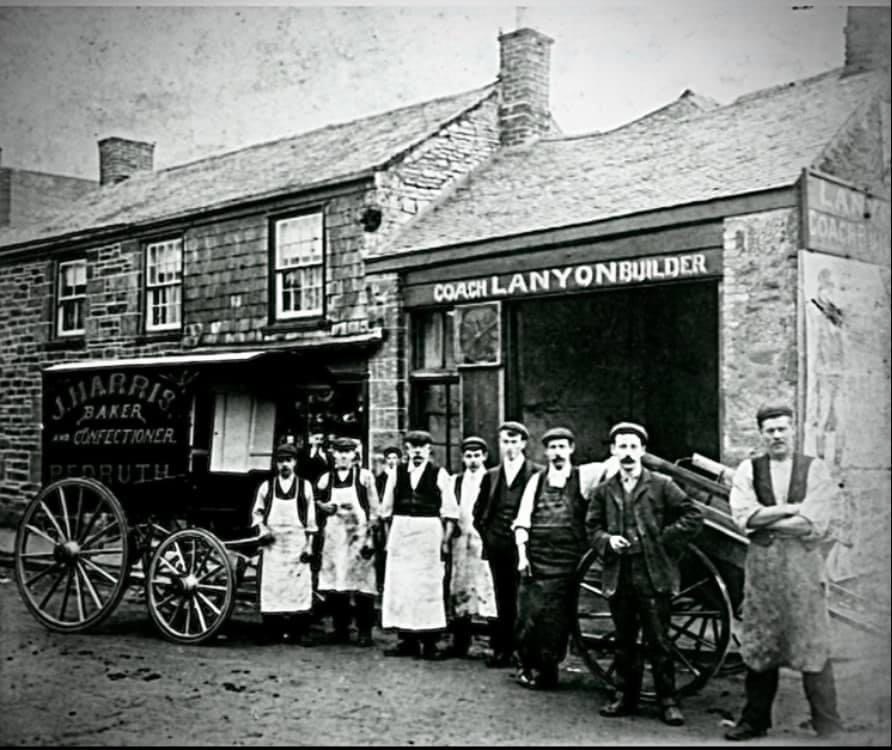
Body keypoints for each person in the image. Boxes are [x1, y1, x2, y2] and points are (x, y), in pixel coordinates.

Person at [724, 403, 844, 741]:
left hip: (803, 569)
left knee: (813, 643)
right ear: (761, 434)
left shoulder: (814, 469)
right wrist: (791, 509)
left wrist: (768, 519)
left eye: (782, 429)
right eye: (770, 430)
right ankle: (754, 721)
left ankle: (828, 724)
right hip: (764, 571)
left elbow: (814, 522)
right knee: (761, 643)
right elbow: (744, 517)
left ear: (793, 430)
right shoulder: (748, 470)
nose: (777, 435)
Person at [586, 422, 703, 726]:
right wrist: (607, 541)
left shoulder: (662, 484)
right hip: (620, 573)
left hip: (653, 573)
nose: (627, 453)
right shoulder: (603, 491)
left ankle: (668, 701)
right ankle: (626, 697)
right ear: (613, 451)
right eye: (622, 447)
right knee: (624, 641)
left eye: (633, 447)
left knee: (659, 640)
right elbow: (591, 527)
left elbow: (693, 515)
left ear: (643, 451)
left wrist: (664, 540)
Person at [512, 427, 591, 689]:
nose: (557, 453)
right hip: (538, 558)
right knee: (530, 615)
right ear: (546, 452)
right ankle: (530, 666)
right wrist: (522, 556)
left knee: (555, 618)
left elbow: (610, 468)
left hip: (568, 561)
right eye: (553, 448)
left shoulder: (582, 478)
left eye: (562, 447)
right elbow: (522, 521)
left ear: (571, 449)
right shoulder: (536, 481)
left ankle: (548, 670)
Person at [379, 430, 459, 660]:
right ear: (406, 449)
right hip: (401, 531)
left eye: (421, 447)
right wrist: (389, 540)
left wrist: (445, 542)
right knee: (402, 586)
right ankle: (407, 640)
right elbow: (386, 510)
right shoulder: (397, 473)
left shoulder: (439, 473)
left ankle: (430, 642)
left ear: (428, 450)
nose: (417, 452)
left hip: (428, 532)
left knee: (427, 587)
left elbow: (450, 512)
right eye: (413, 447)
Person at [473, 420, 544, 668]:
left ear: (523, 443)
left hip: (525, 546)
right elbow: (479, 512)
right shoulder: (492, 476)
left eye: (514, 441)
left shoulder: (537, 473)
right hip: (498, 545)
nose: (510, 447)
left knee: (524, 598)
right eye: (505, 442)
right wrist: (489, 536)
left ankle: (523, 650)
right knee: (502, 597)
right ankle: (502, 649)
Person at [314, 437, 380, 647]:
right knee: (336, 584)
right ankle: (340, 629)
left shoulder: (364, 477)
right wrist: (322, 506)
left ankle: (364, 631)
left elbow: (374, 509)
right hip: (335, 538)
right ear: (333, 454)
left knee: (363, 585)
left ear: (354, 455)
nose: (343, 456)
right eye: (339, 452)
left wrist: (370, 538)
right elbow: (314, 502)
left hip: (358, 538)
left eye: (347, 452)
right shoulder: (325, 479)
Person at [251, 441, 318, 644]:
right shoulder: (267, 487)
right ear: (276, 464)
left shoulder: (305, 486)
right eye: (281, 461)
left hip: (297, 543)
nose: (284, 465)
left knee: (298, 587)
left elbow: (311, 520)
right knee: (272, 586)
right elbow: (257, 514)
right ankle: (272, 631)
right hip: (274, 545)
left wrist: (309, 546)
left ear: (295, 462)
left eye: (288, 460)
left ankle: (299, 632)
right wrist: (263, 531)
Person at [446, 436, 498, 658]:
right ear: (463, 458)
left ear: (484, 456)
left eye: (477, 456)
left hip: (484, 542)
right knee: (461, 590)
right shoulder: (455, 481)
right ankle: (460, 644)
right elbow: (450, 510)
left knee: (489, 590)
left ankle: (497, 645)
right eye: (468, 456)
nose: (473, 460)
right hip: (462, 543)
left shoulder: (492, 479)